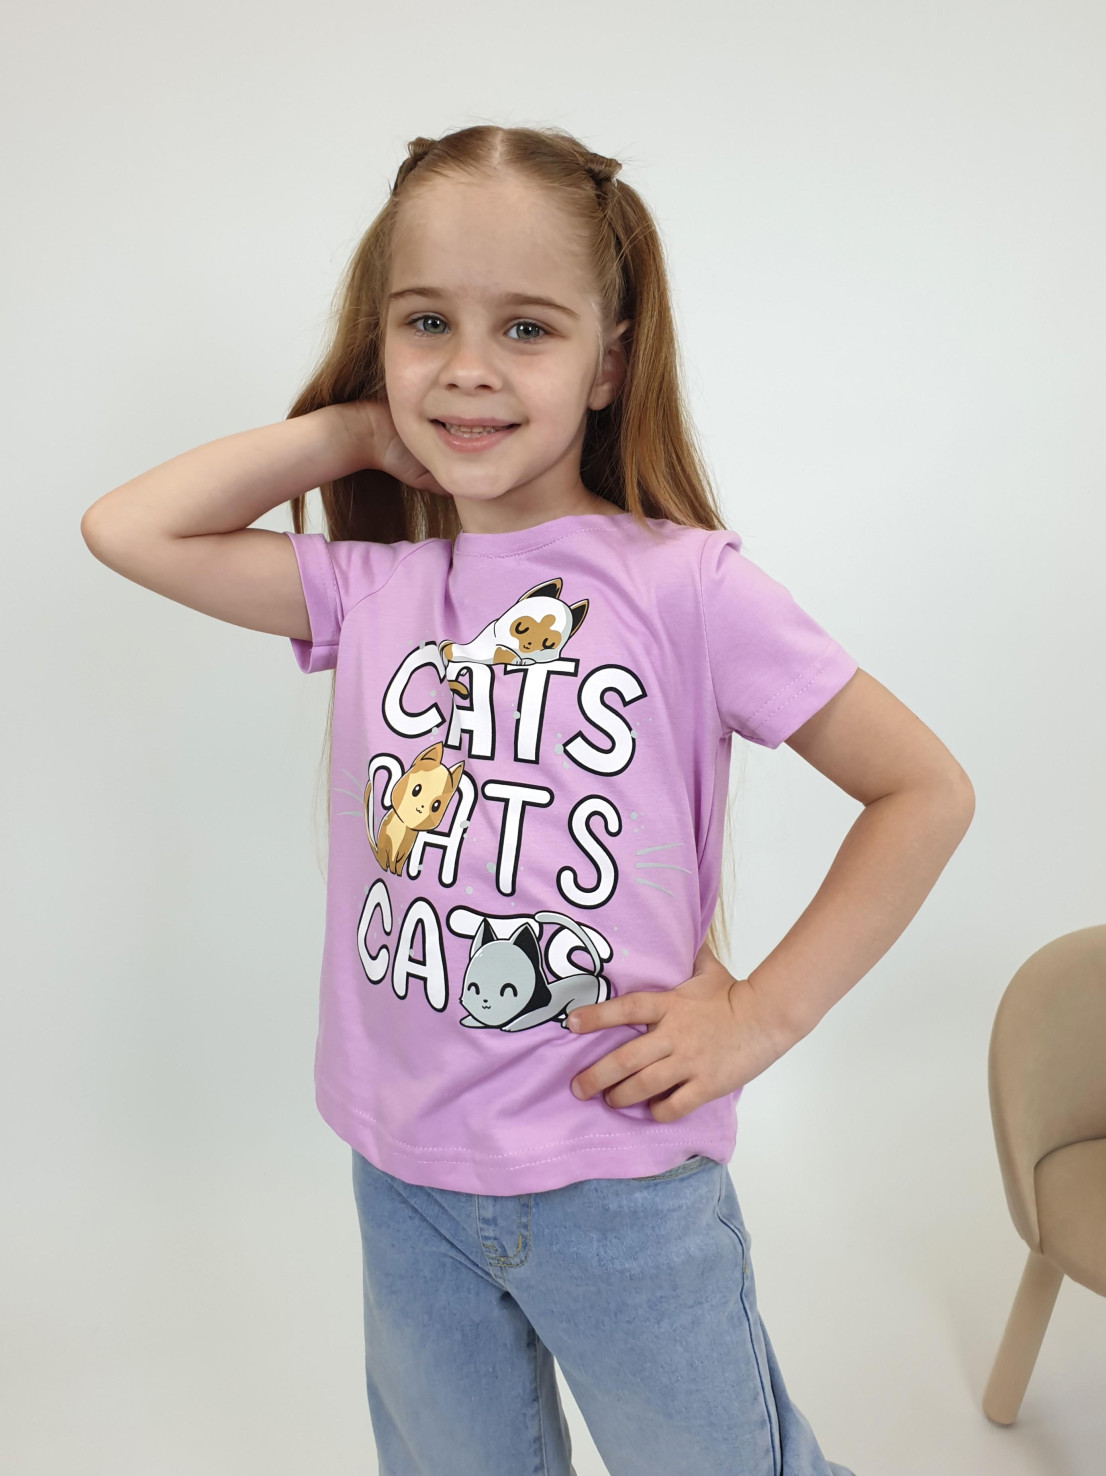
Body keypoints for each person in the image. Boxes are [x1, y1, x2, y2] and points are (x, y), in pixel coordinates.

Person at [81, 123, 974, 1476]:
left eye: (527, 329)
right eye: (426, 321)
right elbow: (127, 528)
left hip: (619, 1180)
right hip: (403, 1174)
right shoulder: (374, 589)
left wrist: (761, 1016)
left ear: (609, 363)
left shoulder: (687, 587)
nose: (469, 367)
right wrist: (361, 428)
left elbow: (922, 789)